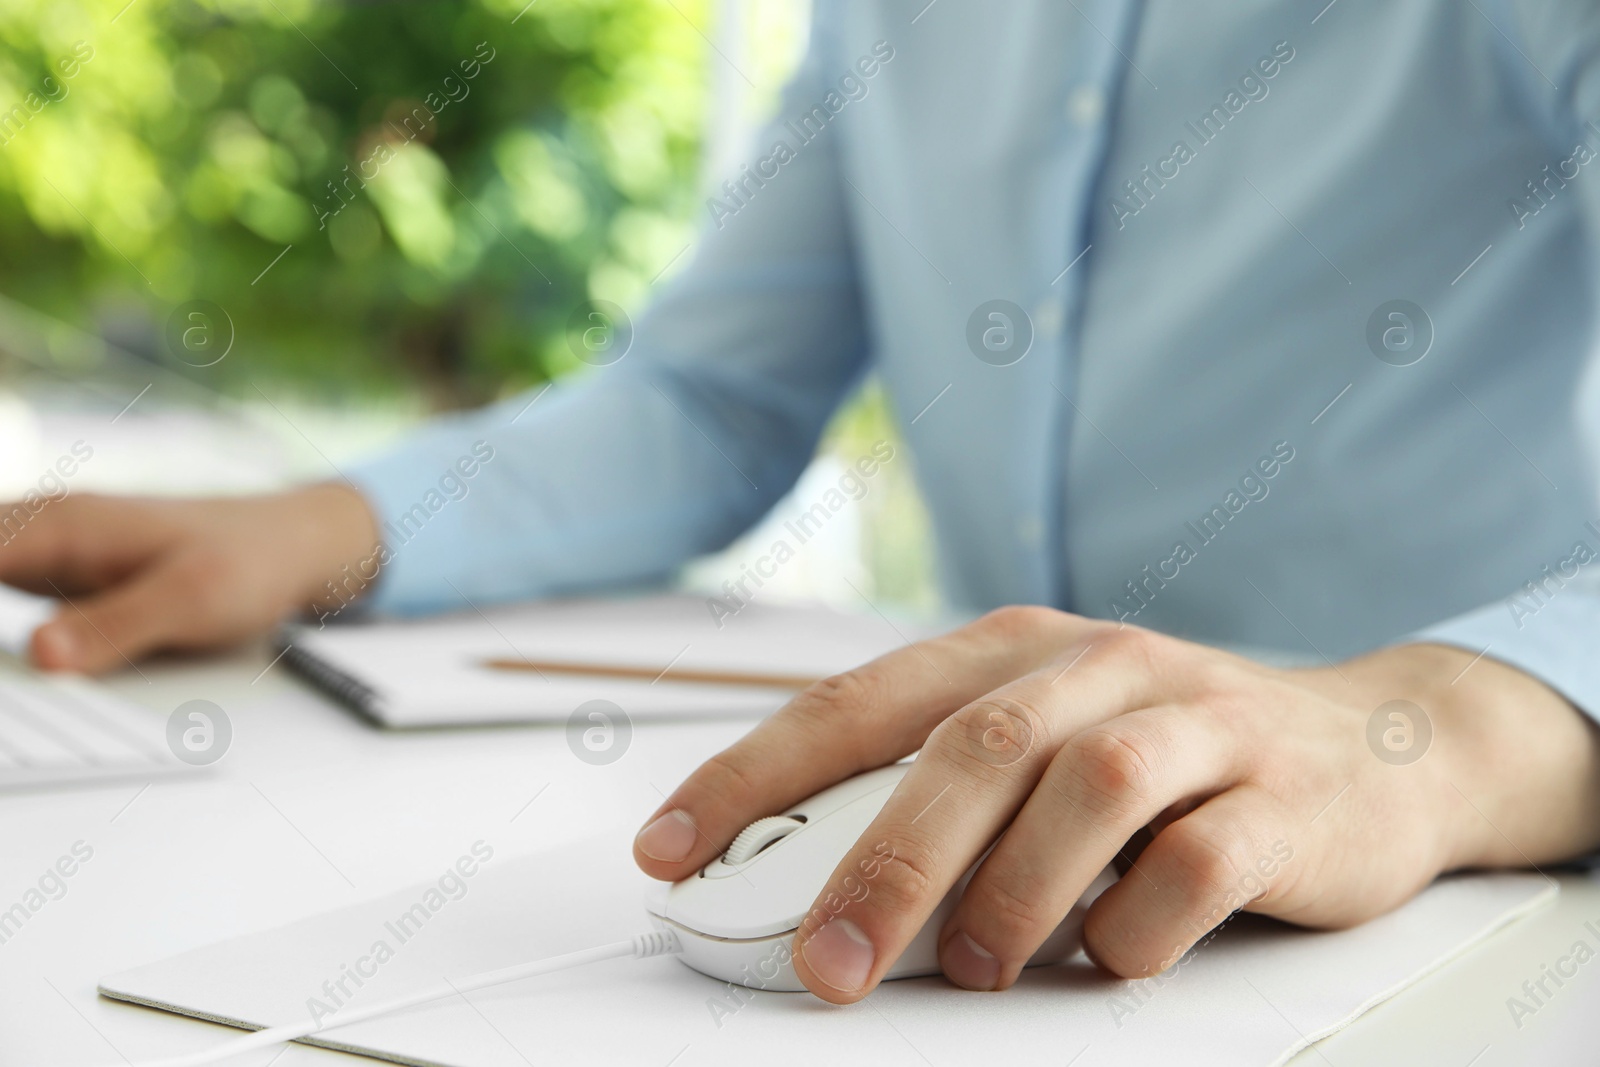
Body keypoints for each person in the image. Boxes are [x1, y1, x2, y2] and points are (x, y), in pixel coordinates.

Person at [5, 0, 1600, 1003]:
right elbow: (706, 399)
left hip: (1459, 883)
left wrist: (1441, 727)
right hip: (986, 866)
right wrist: (325, 526)